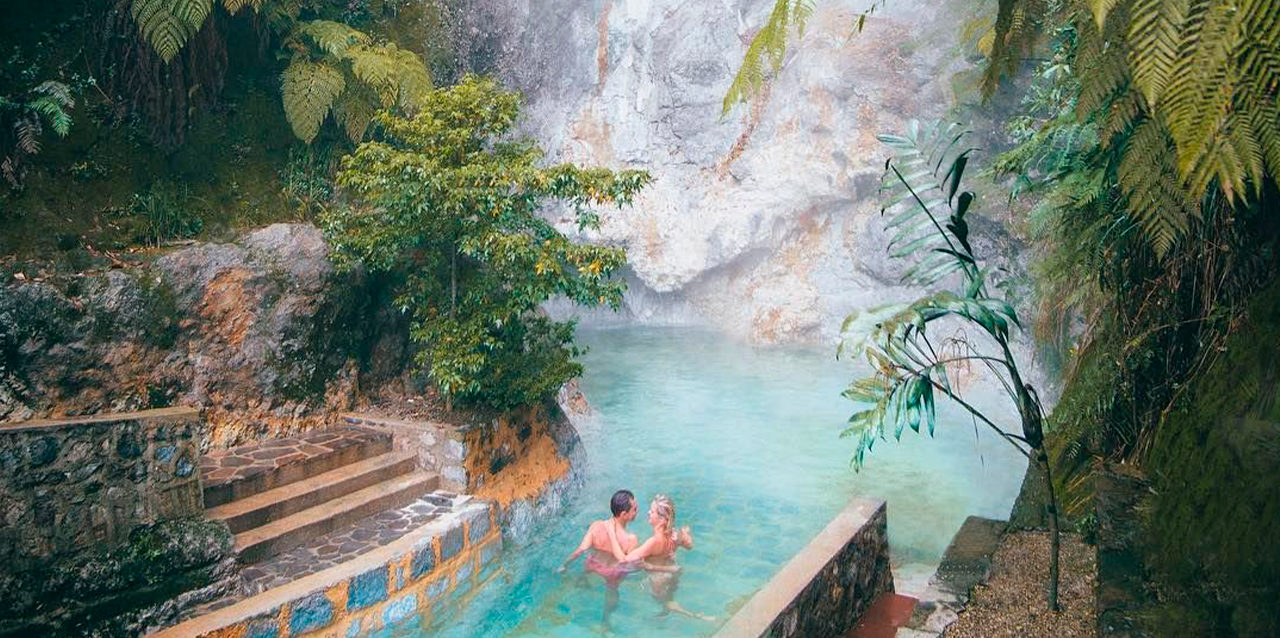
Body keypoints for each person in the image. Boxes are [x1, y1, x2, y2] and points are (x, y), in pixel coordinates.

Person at [604, 494, 715, 622]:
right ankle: (666, 613)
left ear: (662, 520)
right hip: (672, 575)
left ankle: (696, 616)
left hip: (658, 581)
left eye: (652, 511)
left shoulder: (654, 542)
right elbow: (689, 545)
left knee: (668, 603)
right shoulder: (675, 534)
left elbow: (624, 561)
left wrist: (611, 534)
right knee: (668, 600)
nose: (648, 513)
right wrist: (686, 534)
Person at [558, 489, 642, 629]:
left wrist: (564, 564)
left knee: (582, 579)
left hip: (592, 564)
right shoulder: (630, 539)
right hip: (612, 574)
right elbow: (628, 565)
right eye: (634, 509)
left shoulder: (596, 525)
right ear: (624, 514)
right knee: (612, 592)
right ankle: (605, 621)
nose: (637, 511)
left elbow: (582, 549)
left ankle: (573, 599)